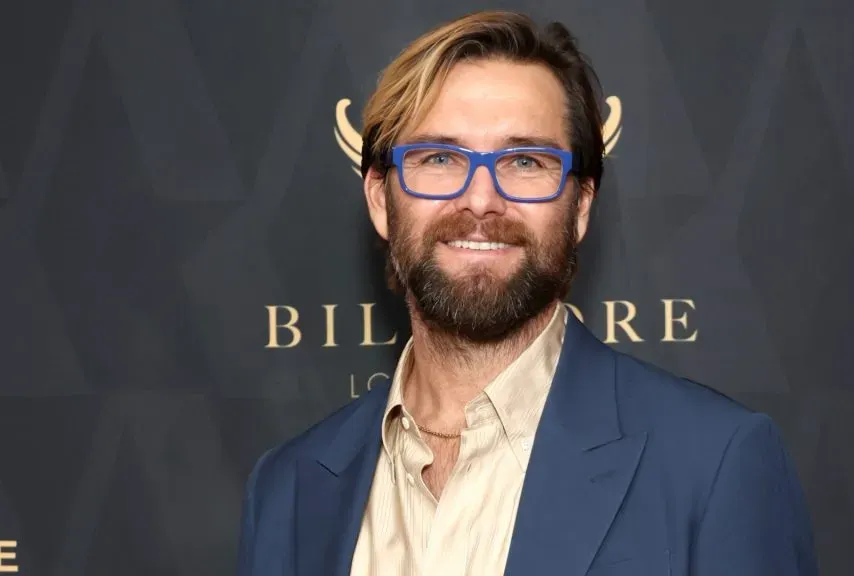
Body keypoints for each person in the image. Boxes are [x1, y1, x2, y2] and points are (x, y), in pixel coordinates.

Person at [236, 10, 818, 576]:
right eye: (439, 158)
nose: (482, 200)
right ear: (379, 200)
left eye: (525, 161)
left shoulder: (713, 463)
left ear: (581, 205)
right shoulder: (289, 488)